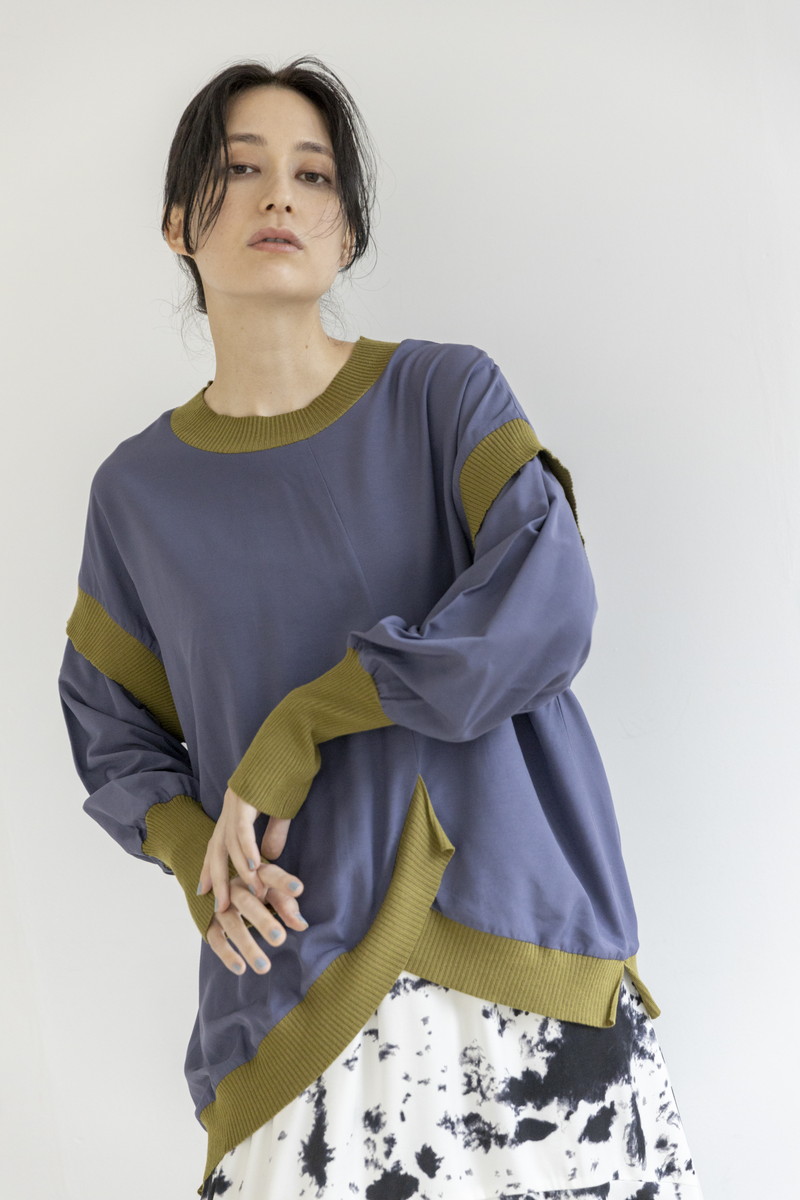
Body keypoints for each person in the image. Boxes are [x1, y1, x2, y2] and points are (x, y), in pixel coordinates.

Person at [57, 55, 705, 1200]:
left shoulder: (444, 399)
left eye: (313, 175)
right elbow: (110, 731)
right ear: (176, 223)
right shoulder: (138, 496)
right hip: (291, 1019)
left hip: (526, 984)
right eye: (239, 169)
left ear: (346, 231)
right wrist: (204, 864)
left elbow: (546, 604)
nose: (279, 194)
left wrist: (304, 722)